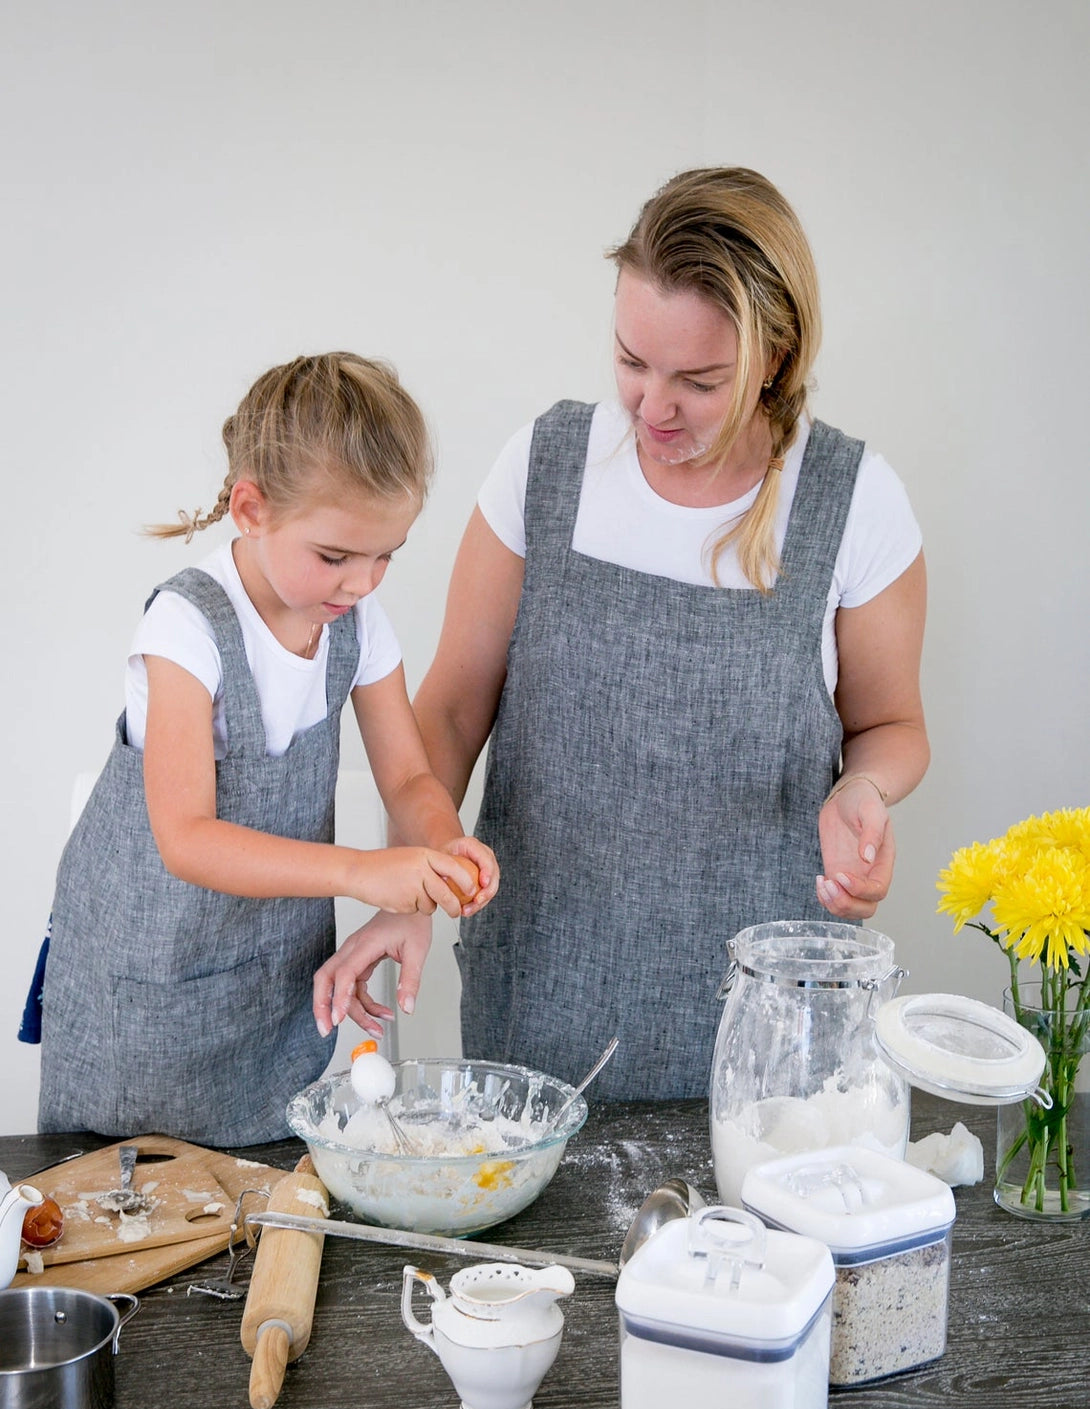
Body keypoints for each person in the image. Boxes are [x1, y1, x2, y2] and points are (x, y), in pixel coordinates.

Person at [314, 168, 929, 1098]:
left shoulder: (854, 501)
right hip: (541, 1012)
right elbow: (443, 719)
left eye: (698, 380)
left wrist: (865, 792)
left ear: (777, 354)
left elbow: (891, 727)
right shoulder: (546, 467)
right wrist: (414, 882)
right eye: (632, 360)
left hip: (768, 1046)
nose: (653, 406)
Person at [37, 352, 498, 1145]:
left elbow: (410, 775)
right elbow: (186, 840)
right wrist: (362, 872)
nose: (362, 583)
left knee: (268, 1197)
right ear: (252, 509)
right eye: (336, 556)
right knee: (133, 1201)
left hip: (268, 1002)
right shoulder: (187, 629)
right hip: (146, 1010)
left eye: (387, 554)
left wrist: (440, 844)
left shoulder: (356, 622)